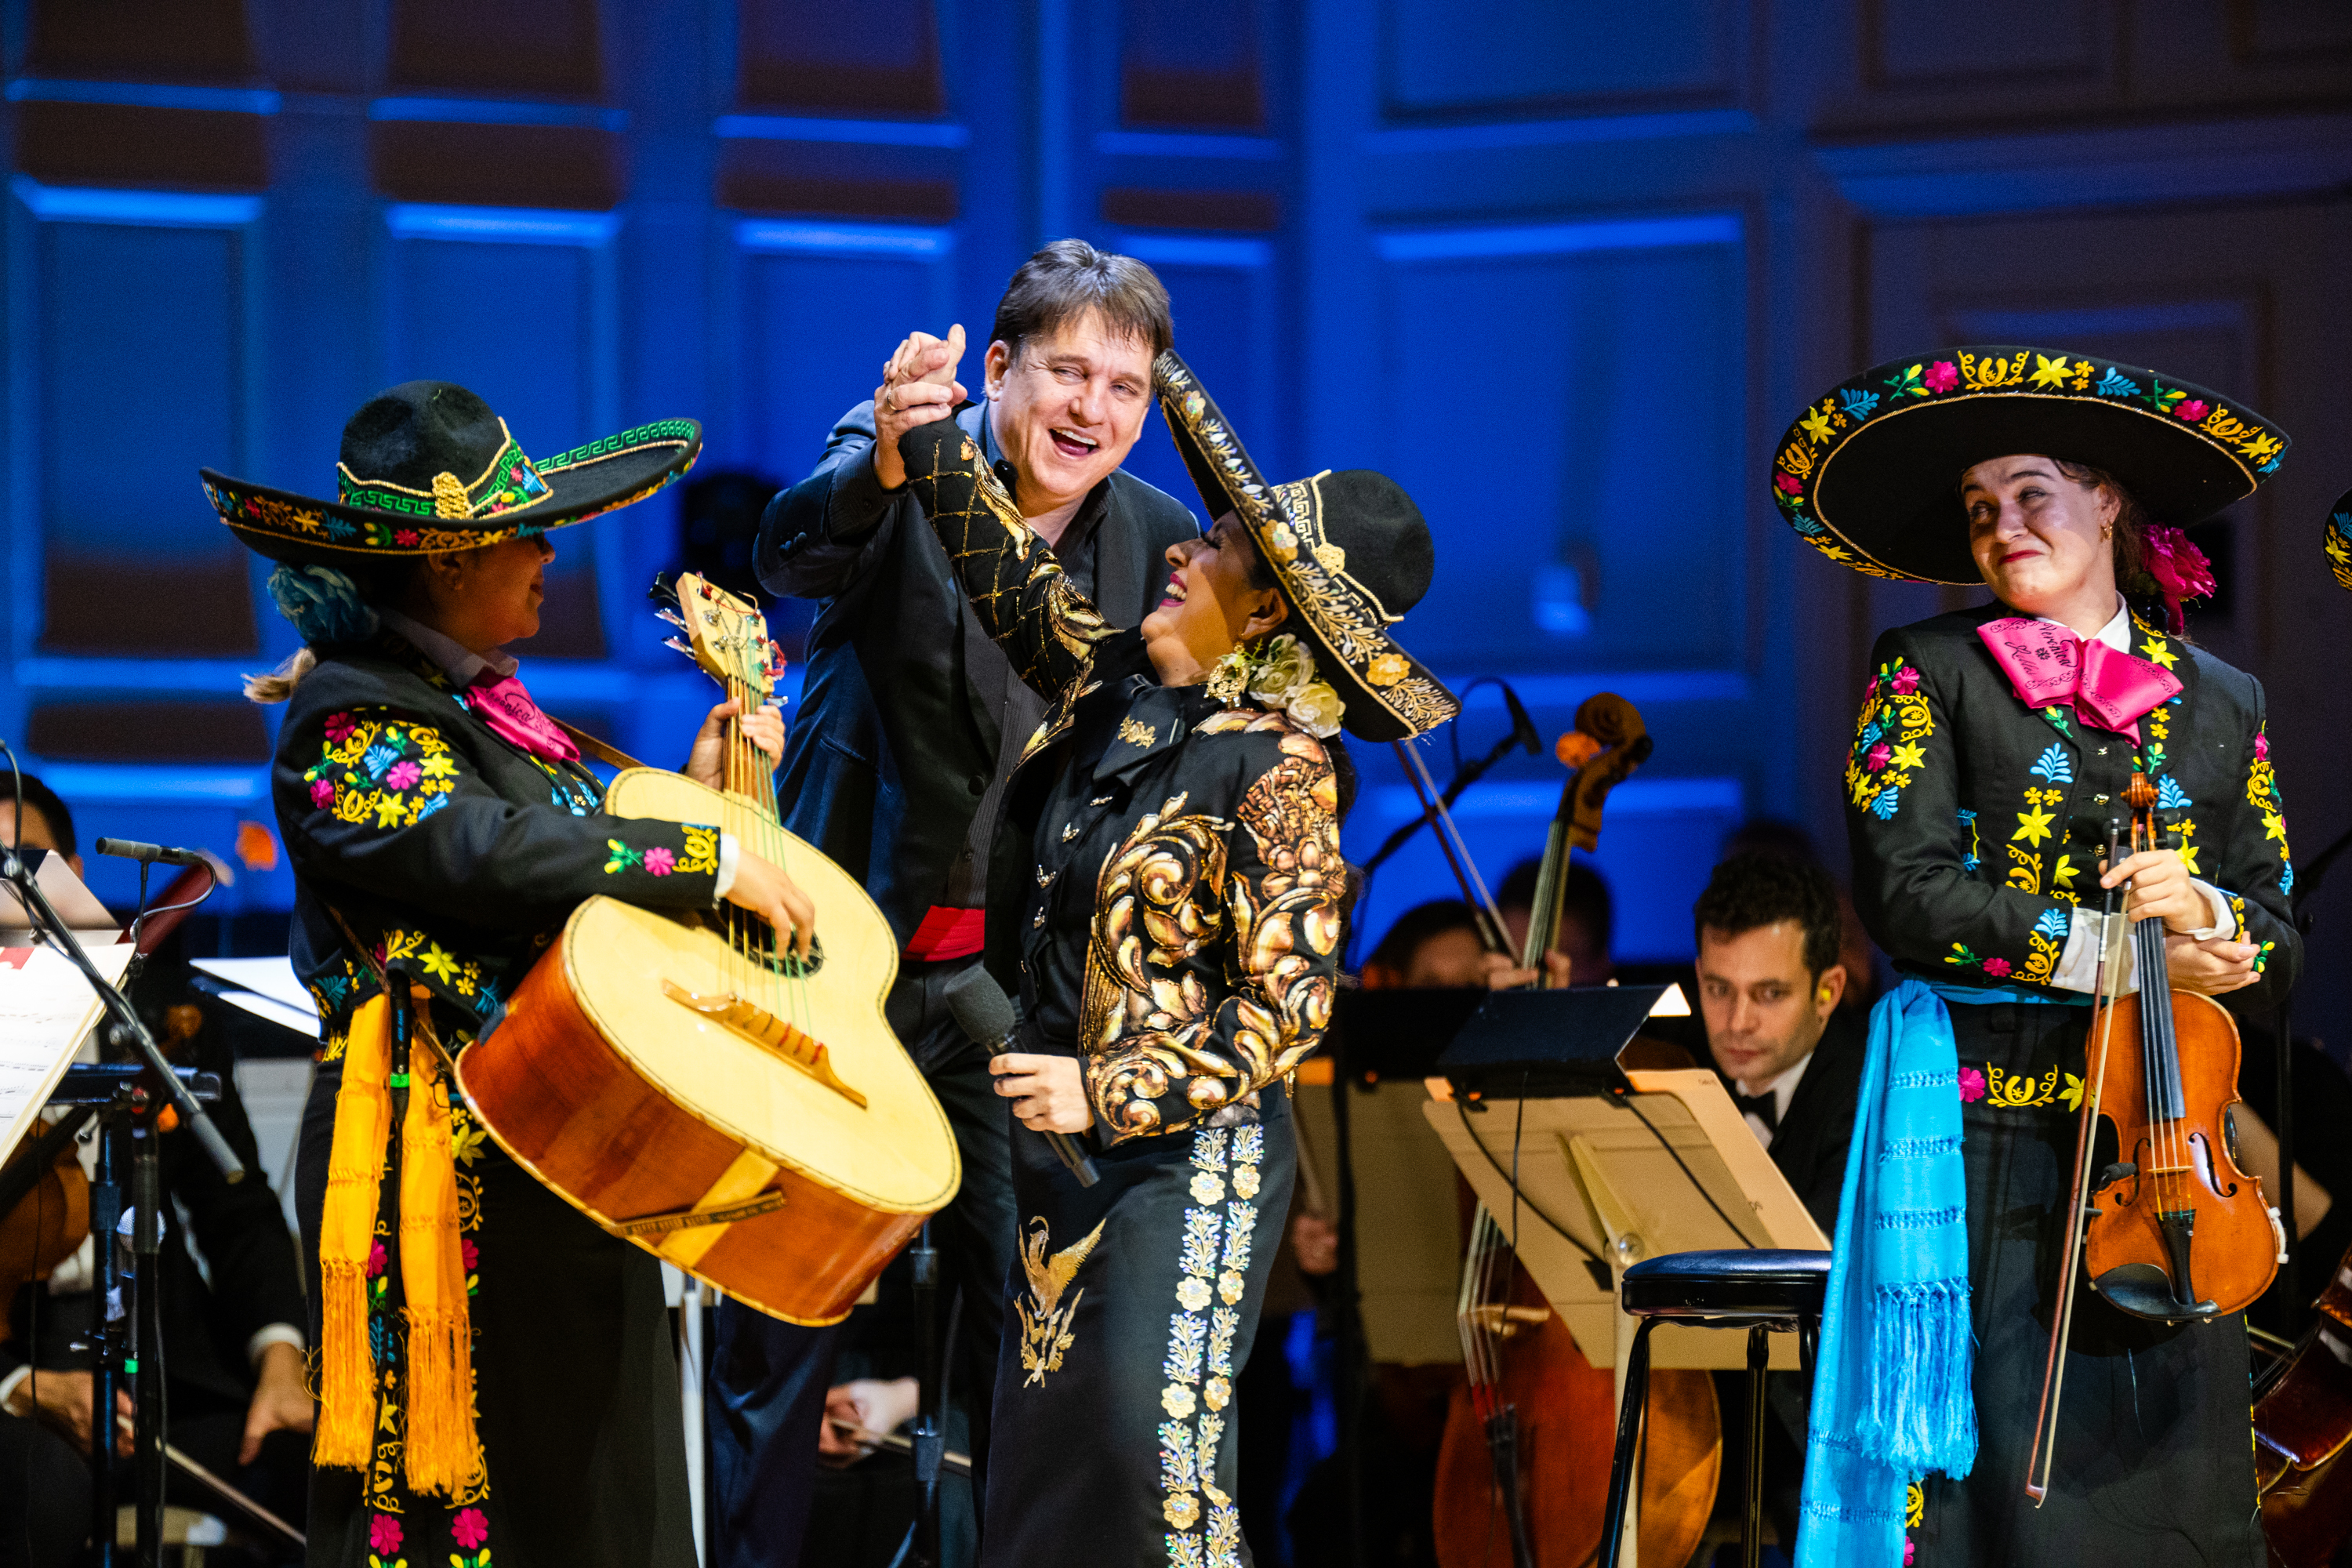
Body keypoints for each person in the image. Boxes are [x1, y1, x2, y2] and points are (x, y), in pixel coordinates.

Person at [205, 381, 817, 1568]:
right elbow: (485, 849)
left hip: (555, 1139)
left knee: (594, 1496)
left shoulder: (486, 707)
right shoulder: (347, 713)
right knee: (481, 1500)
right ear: (446, 563)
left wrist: (700, 795)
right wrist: (703, 855)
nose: (548, 553)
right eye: (524, 535)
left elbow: (569, 871)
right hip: (433, 1157)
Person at [895, 341, 1456, 1564]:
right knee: (1041, 1498)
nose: (1180, 552)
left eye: (1217, 547)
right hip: (1061, 1165)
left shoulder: (1286, 768)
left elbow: (1289, 1008)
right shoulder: (1124, 695)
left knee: (1150, 1483)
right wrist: (927, 429)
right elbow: (1012, 585)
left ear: (1270, 608)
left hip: (1181, 1170)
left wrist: (1106, 1085)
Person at [1772, 347, 2298, 1566]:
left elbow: (2280, 941)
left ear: (2108, 501)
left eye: (2031, 494)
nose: (2002, 526)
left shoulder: (2225, 701)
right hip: (1988, 1147)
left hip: (2173, 1166)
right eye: (1979, 509)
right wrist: (2112, 952)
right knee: (1999, 1513)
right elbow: (1908, 895)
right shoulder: (1928, 668)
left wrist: (2209, 919)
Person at [728, 241, 1200, 1566]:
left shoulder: (1159, 539)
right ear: (998, 368)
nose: (1093, 409)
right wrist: (888, 455)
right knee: (782, 1316)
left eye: (1124, 386)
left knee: (1028, 1327)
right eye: (1068, 372)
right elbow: (787, 553)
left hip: (1012, 998)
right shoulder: (899, 448)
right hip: (838, 966)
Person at [0, 775, 313, 1568]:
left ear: (70, 871)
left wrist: (281, 1356)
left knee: (324, 1466)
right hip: (15, 1360)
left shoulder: (154, 1009)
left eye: (23, 862)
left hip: (160, 1352)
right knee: (45, 1493)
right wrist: (21, 1382)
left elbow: (235, 1207)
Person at [1693, 852, 1861, 1234]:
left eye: (1770, 994)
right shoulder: (1671, 1063)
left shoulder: (1865, 1097)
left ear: (1828, 991)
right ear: (1699, 976)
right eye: (1719, 989)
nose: (1737, 1023)